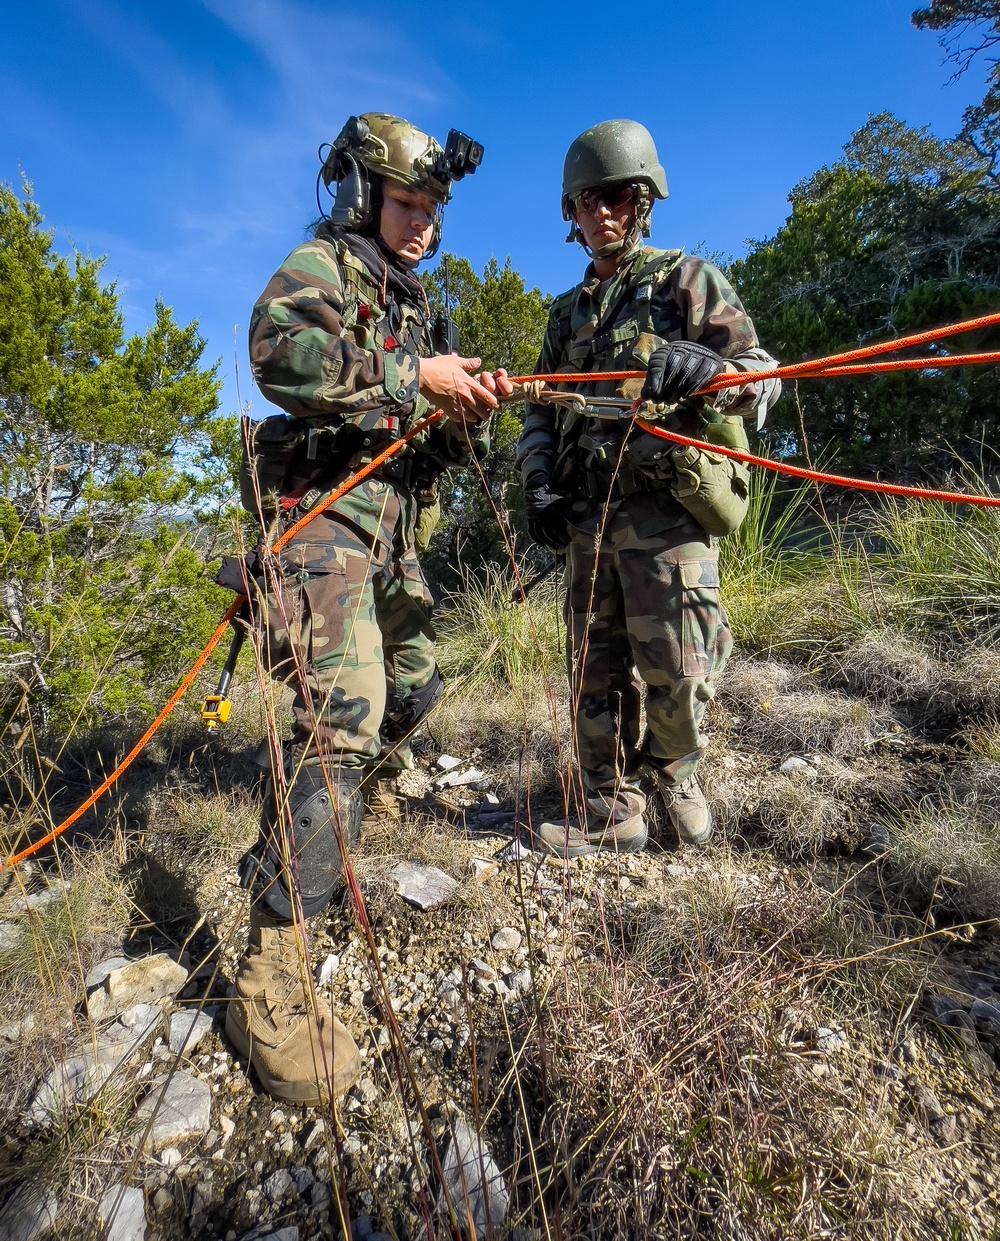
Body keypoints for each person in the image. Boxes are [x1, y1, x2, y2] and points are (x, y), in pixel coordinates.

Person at [226, 112, 512, 1105]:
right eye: (407, 203)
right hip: (316, 525)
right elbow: (279, 356)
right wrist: (411, 377)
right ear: (359, 194)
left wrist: (460, 406)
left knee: (418, 687)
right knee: (337, 725)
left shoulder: (416, 303)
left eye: (434, 208)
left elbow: (412, 449)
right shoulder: (322, 267)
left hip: (387, 534)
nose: (425, 223)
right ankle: (271, 971)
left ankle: (341, 808)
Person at [516, 119, 780, 858]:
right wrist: (536, 480)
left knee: (681, 661)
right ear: (570, 213)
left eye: (617, 197)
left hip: (668, 509)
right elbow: (541, 407)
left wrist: (713, 370)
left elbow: (764, 375)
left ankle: (675, 775)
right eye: (586, 201)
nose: (602, 213)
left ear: (643, 201)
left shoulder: (685, 279)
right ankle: (608, 801)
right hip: (585, 517)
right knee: (592, 668)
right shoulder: (563, 315)